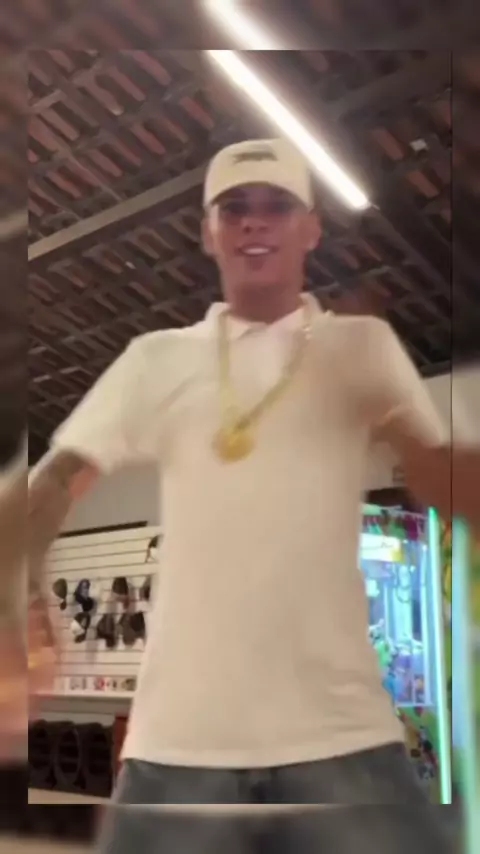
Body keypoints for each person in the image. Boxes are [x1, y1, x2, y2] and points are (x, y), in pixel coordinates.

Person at [23, 138, 478, 851]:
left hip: (342, 740)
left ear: (311, 228)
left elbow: (436, 474)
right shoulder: (155, 360)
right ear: (209, 231)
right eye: (234, 208)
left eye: (277, 205)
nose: (254, 222)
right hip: (180, 747)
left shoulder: (362, 347)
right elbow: (56, 477)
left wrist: (408, 437)